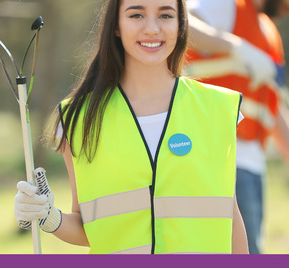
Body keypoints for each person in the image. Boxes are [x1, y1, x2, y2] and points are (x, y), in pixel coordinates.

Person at [14, 0, 249, 254]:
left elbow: (230, 217)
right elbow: (91, 227)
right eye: (136, 15)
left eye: (166, 16)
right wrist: (49, 217)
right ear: (116, 25)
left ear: (181, 24)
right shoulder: (78, 119)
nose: (151, 28)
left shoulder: (219, 109)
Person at [185, 0, 289, 254]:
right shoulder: (226, 5)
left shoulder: (267, 30)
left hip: (253, 166)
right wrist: (236, 47)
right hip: (222, 158)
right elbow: (179, 24)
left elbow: (270, 108)